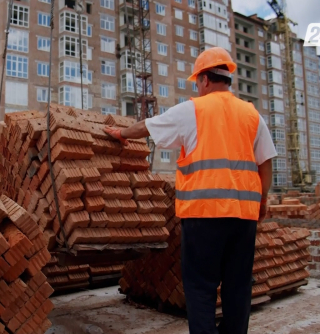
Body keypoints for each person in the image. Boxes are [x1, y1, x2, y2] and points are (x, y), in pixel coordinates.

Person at [104, 47, 277, 334]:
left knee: (200, 287)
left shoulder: (193, 110)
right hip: (244, 218)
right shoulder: (252, 114)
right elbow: (266, 163)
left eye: (197, 82)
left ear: (205, 80)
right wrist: (262, 201)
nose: (197, 87)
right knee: (238, 286)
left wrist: (120, 134)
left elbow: (147, 127)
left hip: (203, 216)